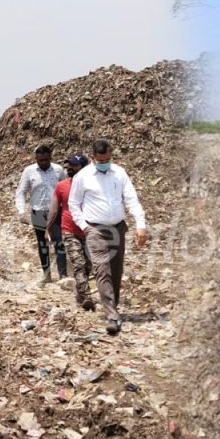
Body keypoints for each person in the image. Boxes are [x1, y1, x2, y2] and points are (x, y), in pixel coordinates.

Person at [67, 140, 149, 335]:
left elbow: (131, 199)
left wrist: (140, 225)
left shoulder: (119, 173)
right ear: (93, 158)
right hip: (95, 229)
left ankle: (114, 305)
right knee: (102, 271)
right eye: (101, 160)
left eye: (108, 159)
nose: (105, 163)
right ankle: (111, 315)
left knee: (116, 270)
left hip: (118, 228)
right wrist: (84, 227)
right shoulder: (83, 176)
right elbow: (73, 203)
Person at [47, 152, 94, 311]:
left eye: (74, 165)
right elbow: (54, 209)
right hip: (69, 230)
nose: (70, 168)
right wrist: (48, 228)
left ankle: (80, 292)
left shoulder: (93, 185)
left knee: (88, 265)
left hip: (89, 231)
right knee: (78, 262)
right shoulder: (61, 186)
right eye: (69, 165)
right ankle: (86, 296)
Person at [15, 144, 66, 284]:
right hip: (38, 212)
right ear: (36, 158)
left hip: (55, 212)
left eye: (46, 160)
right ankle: (47, 274)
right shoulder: (29, 171)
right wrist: (21, 211)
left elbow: (66, 188)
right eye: (40, 160)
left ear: (50, 157)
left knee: (58, 242)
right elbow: (21, 192)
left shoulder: (58, 170)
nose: (43, 163)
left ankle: (63, 276)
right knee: (42, 243)